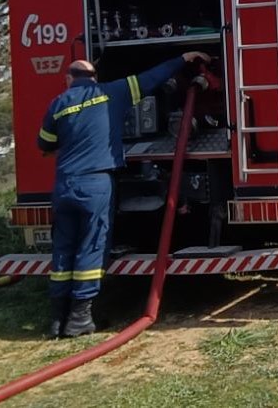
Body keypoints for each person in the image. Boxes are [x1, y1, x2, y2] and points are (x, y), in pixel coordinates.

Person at [37, 51, 210, 338]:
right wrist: (182, 58)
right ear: (95, 78)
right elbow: (151, 78)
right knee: (92, 245)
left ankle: (58, 319)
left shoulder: (58, 104)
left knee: (63, 247)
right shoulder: (113, 92)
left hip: (65, 184)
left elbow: (44, 144)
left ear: (68, 79)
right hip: (96, 183)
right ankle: (80, 318)